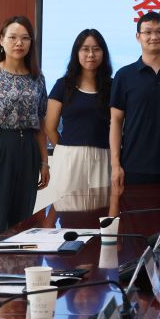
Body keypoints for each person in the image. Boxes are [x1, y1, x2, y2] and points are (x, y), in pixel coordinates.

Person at [0, 15, 49, 233]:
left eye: (25, 38)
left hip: (29, 150)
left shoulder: (38, 78)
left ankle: (19, 257)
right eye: (13, 37)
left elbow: (41, 123)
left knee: (23, 221)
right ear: (1, 40)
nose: (19, 43)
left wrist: (44, 162)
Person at [110, 11, 160, 186]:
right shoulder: (124, 75)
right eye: (147, 32)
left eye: (159, 31)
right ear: (138, 36)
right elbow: (116, 121)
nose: (154, 37)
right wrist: (115, 165)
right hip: (132, 166)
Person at [43, 29, 113, 205]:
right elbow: (50, 127)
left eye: (96, 49)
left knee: (101, 209)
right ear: (77, 53)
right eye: (85, 49)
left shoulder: (112, 86)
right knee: (67, 210)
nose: (91, 54)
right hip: (69, 157)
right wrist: (66, 150)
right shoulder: (63, 85)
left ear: (103, 53)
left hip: (103, 156)